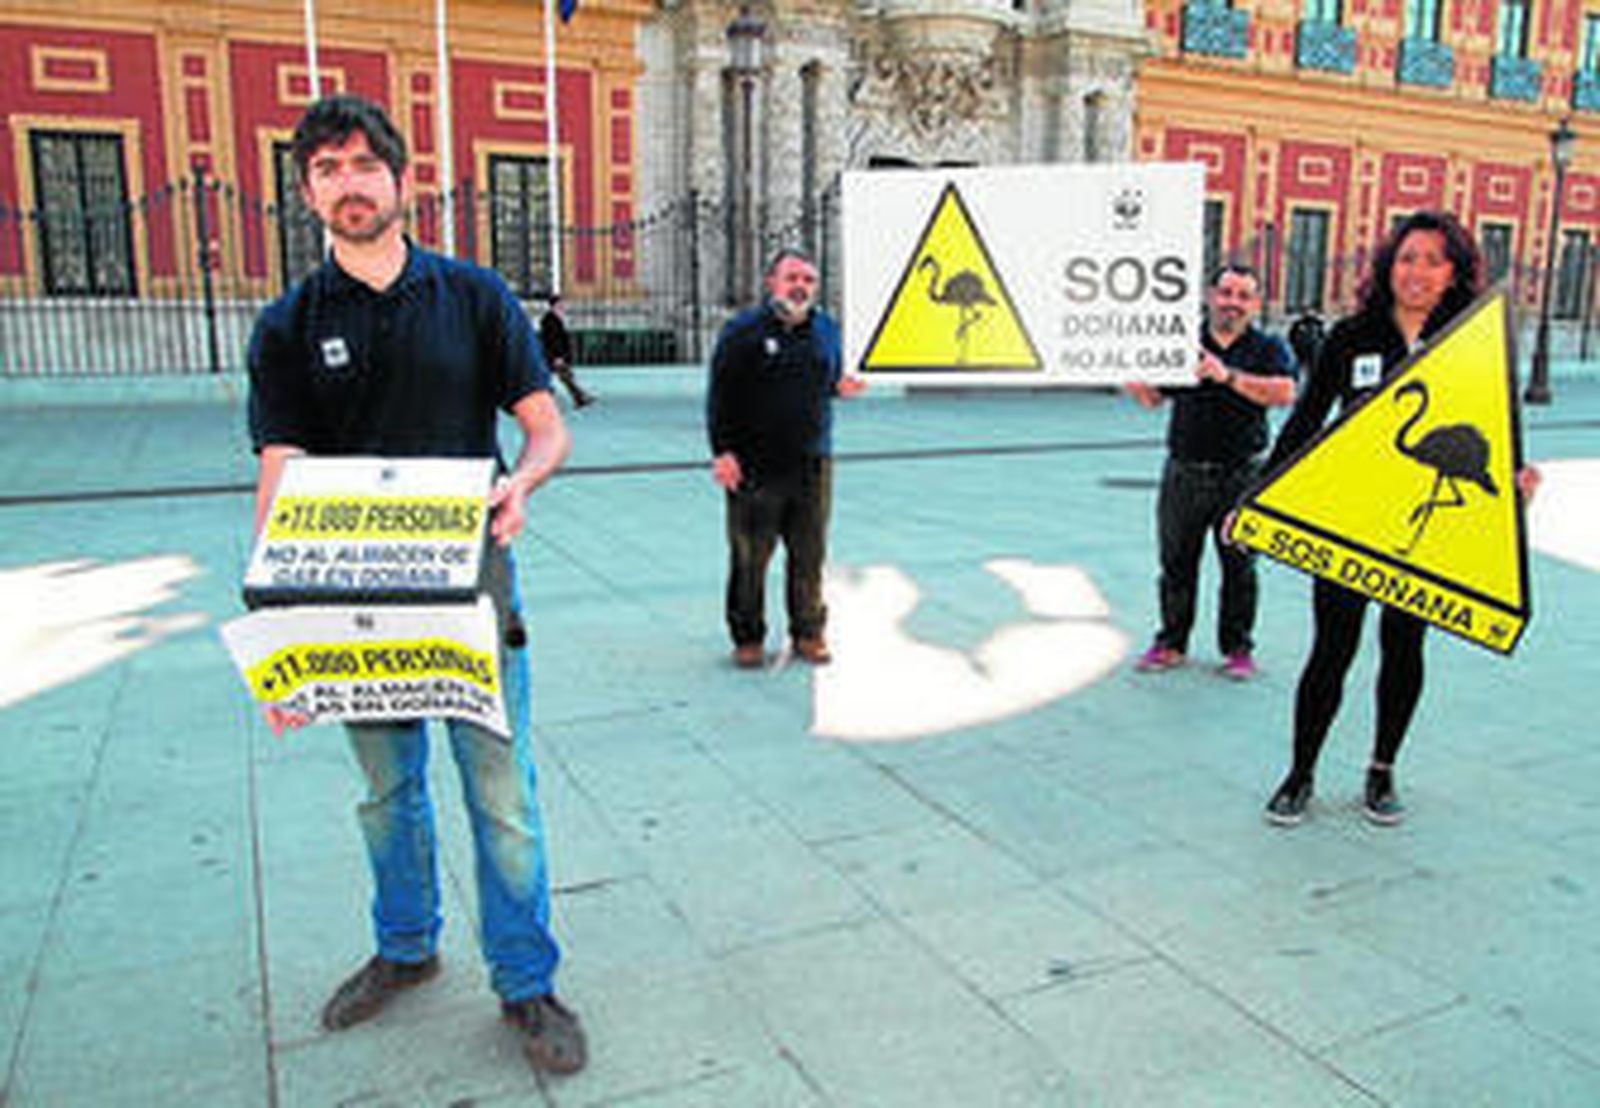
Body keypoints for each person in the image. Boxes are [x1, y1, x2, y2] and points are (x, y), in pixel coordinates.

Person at [246, 94, 586, 1075]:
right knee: (386, 793)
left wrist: (521, 482)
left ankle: (526, 981)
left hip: (474, 589)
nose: (347, 183)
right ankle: (405, 948)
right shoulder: (288, 325)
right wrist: (277, 632)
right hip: (356, 604)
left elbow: (545, 423)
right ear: (307, 191)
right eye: (326, 170)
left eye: (362, 164)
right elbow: (279, 470)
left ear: (401, 179)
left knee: (502, 797)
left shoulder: (474, 297)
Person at [1261, 210, 1540, 827]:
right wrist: (1255, 498)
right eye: (1406, 258)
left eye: (1432, 261)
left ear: (1453, 274)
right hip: (1353, 521)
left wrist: (1516, 484)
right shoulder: (1351, 336)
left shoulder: (1473, 344)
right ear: (1388, 266)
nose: (1416, 271)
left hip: (1423, 537)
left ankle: (1381, 771)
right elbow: (1305, 423)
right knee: (1330, 649)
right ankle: (1300, 771)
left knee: (1404, 648)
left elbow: (1495, 435)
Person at [1127, 263, 1298, 680]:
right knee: (1176, 564)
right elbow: (1152, 399)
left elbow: (1285, 393)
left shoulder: (1268, 347)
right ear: (1210, 296)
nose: (1233, 303)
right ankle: (1170, 644)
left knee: (1239, 567)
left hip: (1241, 475)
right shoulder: (1184, 343)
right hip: (1184, 471)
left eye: (1243, 296)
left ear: (1255, 304)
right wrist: (1122, 367)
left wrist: (1228, 376)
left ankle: (1238, 649)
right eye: (1226, 293)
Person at [706, 249, 865, 668]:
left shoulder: (827, 329)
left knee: (810, 554)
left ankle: (809, 633)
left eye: (809, 280)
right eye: (792, 277)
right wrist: (722, 453)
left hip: (813, 463)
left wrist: (840, 388)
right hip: (754, 465)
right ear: (771, 282)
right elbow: (721, 396)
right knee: (749, 557)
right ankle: (748, 637)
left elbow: (826, 379)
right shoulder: (743, 331)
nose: (801, 286)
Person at [539, 294, 594, 408]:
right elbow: (553, 340)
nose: (563, 306)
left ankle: (580, 398)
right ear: (554, 305)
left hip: (555, 355)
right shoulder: (549, 320)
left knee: (566, 377)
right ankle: (579, 398)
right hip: (554, 355)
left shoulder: (554, 319)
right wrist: (557, 356)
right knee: (565, 377)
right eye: (560, 304)